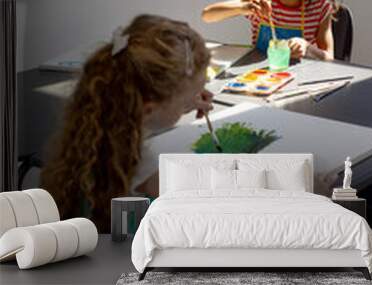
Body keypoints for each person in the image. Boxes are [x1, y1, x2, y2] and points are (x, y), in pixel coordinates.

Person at [41, 15, 213, 232]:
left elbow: (152, 108)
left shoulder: (99, 123)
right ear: (149, 108)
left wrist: (182, 101)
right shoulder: (140, 165)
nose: (194, 100)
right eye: (187, 99)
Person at [202, 0, 336, 60]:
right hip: (259, 75)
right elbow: (207, 15)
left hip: (299, 77)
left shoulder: (320, 7)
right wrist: (243, 7)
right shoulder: (261, 4)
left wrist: (307, 48)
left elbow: (329, 58)